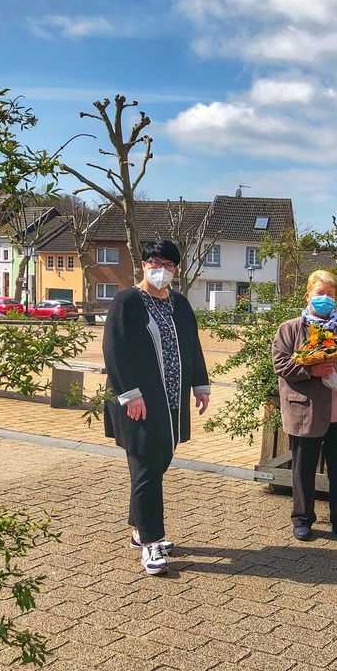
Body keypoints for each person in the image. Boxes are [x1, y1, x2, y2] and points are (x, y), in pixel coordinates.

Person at [102, 240, 210, 575]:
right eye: (153, 261)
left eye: (167, 263)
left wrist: (200, 384)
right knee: (147, 467)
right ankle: (150, 542)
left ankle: (139, 530)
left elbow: (192, 344)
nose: (159, 268)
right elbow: (114, 349)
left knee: (157, 462)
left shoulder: (179, 303)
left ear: (176, 269)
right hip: (139, 401)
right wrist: (130, 394)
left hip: (172, 401)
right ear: (144, 265)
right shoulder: (128, 301)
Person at [271, 269, 337, 542]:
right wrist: (311, 372)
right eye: (320, 293)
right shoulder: (290, 328)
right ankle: (302, 519)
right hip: (306, 411)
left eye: (330, 294)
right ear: (308, 296)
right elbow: (280, 364)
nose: (325, 298)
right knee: (303, 471)